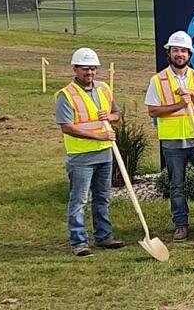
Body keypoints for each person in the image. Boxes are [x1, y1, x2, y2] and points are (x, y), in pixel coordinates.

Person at [145, 31, 194, 241]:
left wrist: (192, 95)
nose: (180, 54)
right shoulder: (158, 80)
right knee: (177, 185)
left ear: (189, 54)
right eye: (176, 50)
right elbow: (152, 111)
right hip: (173, 142)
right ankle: (181, 225)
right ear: (169, 53)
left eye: (183, 51)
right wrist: (179, 104)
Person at [55, 47, 124, 256]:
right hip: (81, 157)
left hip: (105, 153)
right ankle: (79, 242)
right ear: (75, 69)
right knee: (79, 200)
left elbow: (117, 113)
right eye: (85, 69)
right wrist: (99, 136)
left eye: (93, 69)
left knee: (102, 197)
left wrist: (110, 118)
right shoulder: (66, 95)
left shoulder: (103, 89)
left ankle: (104, 237)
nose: (90, 73)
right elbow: (66, 126)